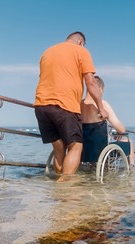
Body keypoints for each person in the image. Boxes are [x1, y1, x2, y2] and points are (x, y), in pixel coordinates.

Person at [34, 31, 109, 182]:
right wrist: (101, 107)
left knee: (59, 148)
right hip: (64, 105)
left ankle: (60, 192)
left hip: (41, 106)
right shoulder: (81, 51)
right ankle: (65, 188)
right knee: (76, 147)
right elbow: (91, 83)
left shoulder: (47, 52)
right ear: (81, 42)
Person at [81, 75, 135, 166]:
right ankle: (132, 170)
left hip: (83, 151)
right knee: (129, 142)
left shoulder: (79, 104)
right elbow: (121, 129)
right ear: (100, 89)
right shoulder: (103, 105)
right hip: (101, 150)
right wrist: (120, 132)